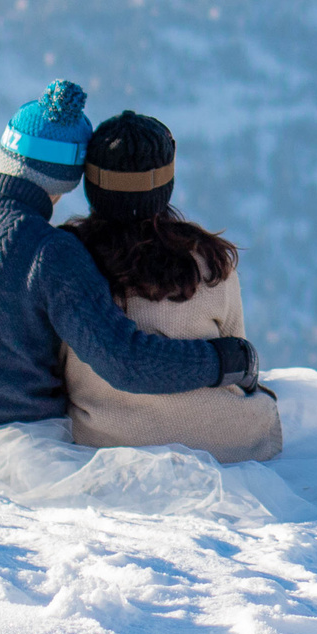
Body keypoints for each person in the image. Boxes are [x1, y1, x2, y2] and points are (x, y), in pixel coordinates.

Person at [0, 80, 263, 443]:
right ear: (71, 178)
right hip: (13, 455)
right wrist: (224, 360)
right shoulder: (48, 250)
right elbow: (126, 362)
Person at [58, 110, 282, 463]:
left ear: (90, 184)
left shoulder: (66, 260)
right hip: (227, 443)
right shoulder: (209, 260)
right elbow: (235, 350)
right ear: (166, 185)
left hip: (110, 445)